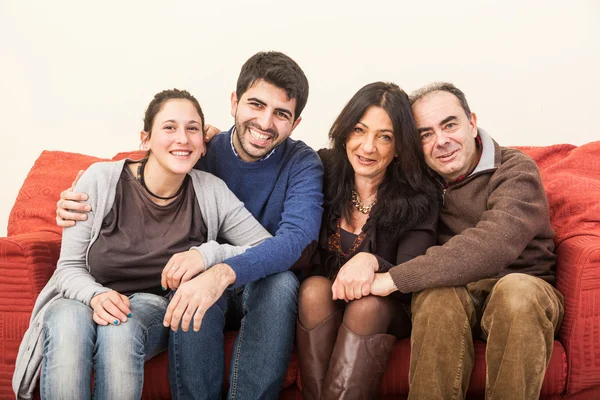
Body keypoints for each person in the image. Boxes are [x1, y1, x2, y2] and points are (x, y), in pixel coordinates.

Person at [54, 52, 324, 399]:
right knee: (194, 285)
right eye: (256, 105)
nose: (265, 122)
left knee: (282, 281)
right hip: (192, 283)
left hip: (256, 283)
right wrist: (81, 190)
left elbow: (294, 243)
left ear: (295, 123)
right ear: (234, 102)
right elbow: (147, 166)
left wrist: (219, 267)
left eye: (281, 114)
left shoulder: (302, 162)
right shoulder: (199, 149)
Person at [13, 89, 272, 400]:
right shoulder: (99, 181)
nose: (182, 138)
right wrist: (96, 296)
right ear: (145, 139)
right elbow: (69, 267)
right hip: (83, 296)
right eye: (169, 127)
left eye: (192, 129)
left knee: (120, 329)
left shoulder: (211, 191)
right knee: (66, 321)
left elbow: (266, 248)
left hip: (151, 305)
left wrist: (207, 254)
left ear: (203, 144)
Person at [356, 82, 564, 400]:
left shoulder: (515, 170)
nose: (441, 141)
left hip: (525, 288)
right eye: (425, 134)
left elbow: (493, 243)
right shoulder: (417, 181)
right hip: (457, 295)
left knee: (516, 293)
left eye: (449, 124)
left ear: (472, 122)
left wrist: (395, 279)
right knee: (435, 295)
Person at [296, 82, 439, 400]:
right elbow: (273, 158)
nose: (368, 146)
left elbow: (413, 271)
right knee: (312, 290)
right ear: (346, 132)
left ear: (400, 146)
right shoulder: (323, 169)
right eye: (359, 130)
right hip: (331, 296)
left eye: (384, 137)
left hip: (390, 307)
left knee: (367, 307)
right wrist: (216, 140)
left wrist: (372, 260)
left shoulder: (420, 194)